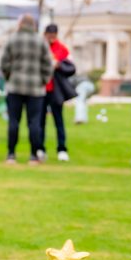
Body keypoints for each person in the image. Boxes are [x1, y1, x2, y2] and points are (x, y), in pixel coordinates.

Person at [0, 14, 51, 165]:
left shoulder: (12, 39)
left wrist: (10, 76)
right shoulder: (41, 41)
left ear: (20, 24)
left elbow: (4, 63)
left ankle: (11, 154)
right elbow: (48, 64)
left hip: (15, 86)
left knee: (13, 121)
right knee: (34, 122)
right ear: (33, 25)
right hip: (36, 88)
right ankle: (34, 156)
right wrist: (43, 80)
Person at [42, 23, 76, 162]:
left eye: (53, 36)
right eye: (49, 36)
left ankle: (62, 148)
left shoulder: (61, 48)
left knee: (59, 120)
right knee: (40, 122)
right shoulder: (41, 47)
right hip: (41, 90)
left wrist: (58, 64)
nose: (51, 38)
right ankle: (40, 149)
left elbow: (71, 69)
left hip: (56, 90)